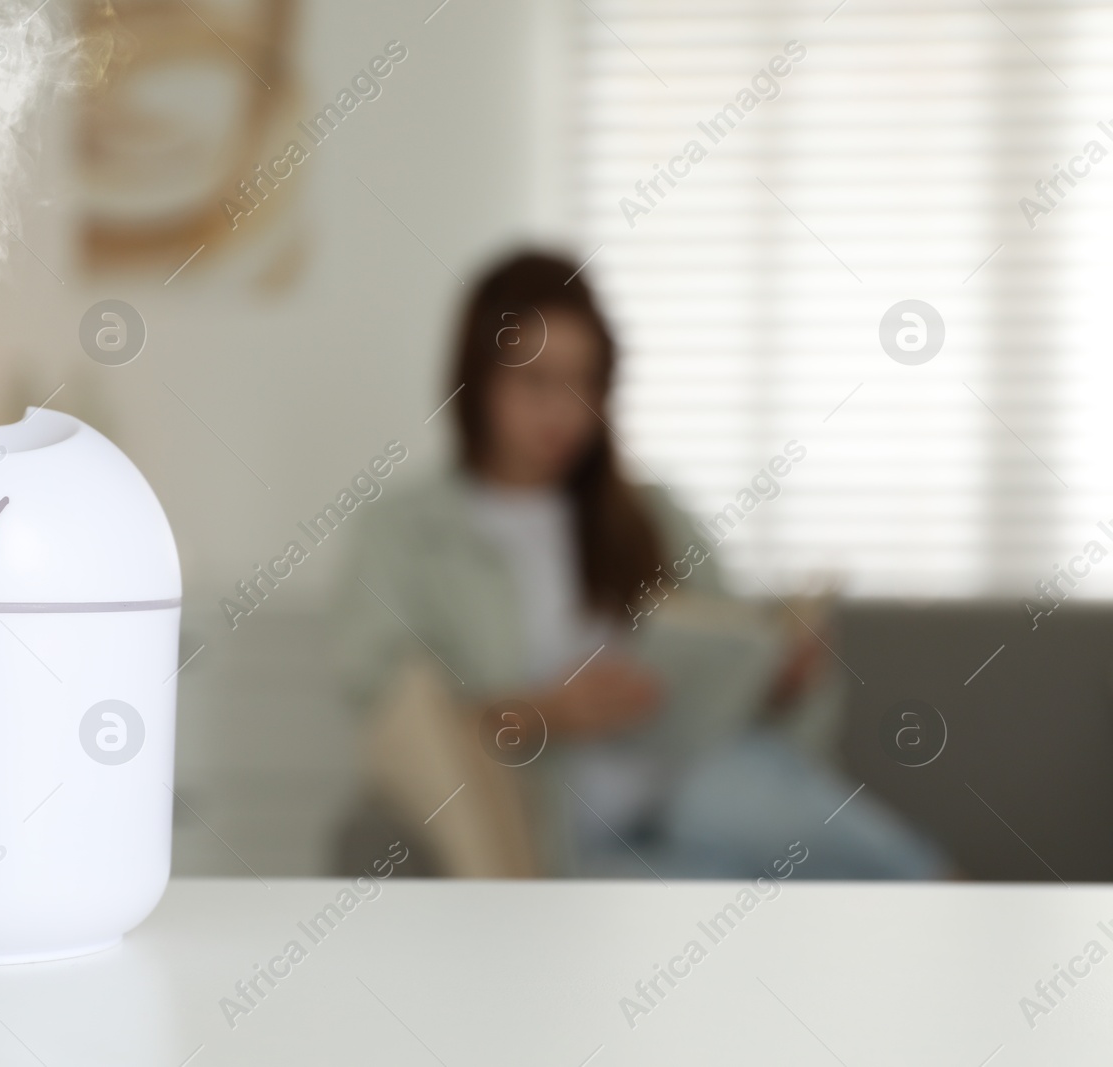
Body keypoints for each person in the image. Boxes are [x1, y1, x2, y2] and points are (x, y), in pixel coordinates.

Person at [332, 250, 945, 880]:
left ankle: (949, 901)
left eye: (585, 383)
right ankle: (949, 900)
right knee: (711, 881)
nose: (562, 412)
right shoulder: (405, 535)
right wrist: (542, 713)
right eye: (535, 382)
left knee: (735, 805)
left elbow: (728, 656)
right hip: (571, 831)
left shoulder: (652, 513)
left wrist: (780, 677)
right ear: (475, 379)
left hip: (694, 780)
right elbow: (393, 718)